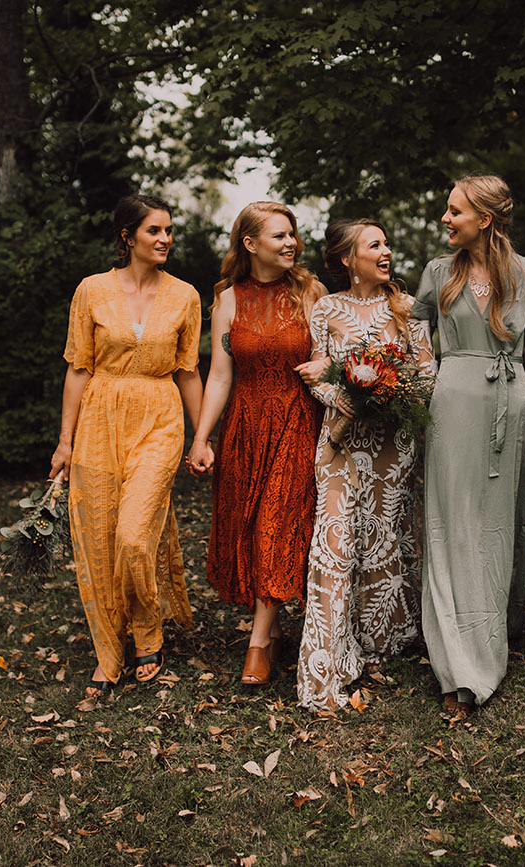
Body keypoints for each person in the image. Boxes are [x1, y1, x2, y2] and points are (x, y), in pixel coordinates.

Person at [411, 175, 525, 716]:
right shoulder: (438, 273)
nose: (446, 220)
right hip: (452, 406)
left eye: (455, 211)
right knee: (451, 524)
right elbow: (412, 342)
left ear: (486, 218)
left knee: (499, 524)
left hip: (511, 404)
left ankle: (496, 625)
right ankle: (461, 663)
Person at [50, 194, 204, 700]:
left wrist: (201, 436)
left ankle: (149, 631)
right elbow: (77, 368)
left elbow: (187, 370)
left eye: (168, 231)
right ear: (127, 236)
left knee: (135, 533)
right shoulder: (91, 291)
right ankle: (110, 650)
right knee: (99, 537)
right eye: (154, 230)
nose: (165, 239)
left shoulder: (185, 295)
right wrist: (64, 441)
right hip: (98, 416)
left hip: (159, 417)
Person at [295, 219, 435, 713]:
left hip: (393, 445)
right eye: (374, 245)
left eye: (387, 244)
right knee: (335, 540)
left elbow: (425, 375)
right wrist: (342, 395)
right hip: (339, 442)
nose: (386, 251)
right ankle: (328, 666)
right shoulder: (326, 309)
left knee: (382, 538)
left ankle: (380, 643)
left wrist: (387, 394)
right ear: (347, 259)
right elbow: (315, 371)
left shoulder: (409, 308)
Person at [186, 202, 325, 686]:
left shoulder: (310, 293)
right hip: (245, 425)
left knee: (276, 522)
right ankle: (275, 624)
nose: (291, 243)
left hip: (297, 420)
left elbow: (333, 359)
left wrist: (325, 367)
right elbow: (220, 376)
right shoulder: (227, 299)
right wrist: (202, 437)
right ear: (250, 244)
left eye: (293, 235)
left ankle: (258, 644)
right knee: (249, 527)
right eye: (279, 236)